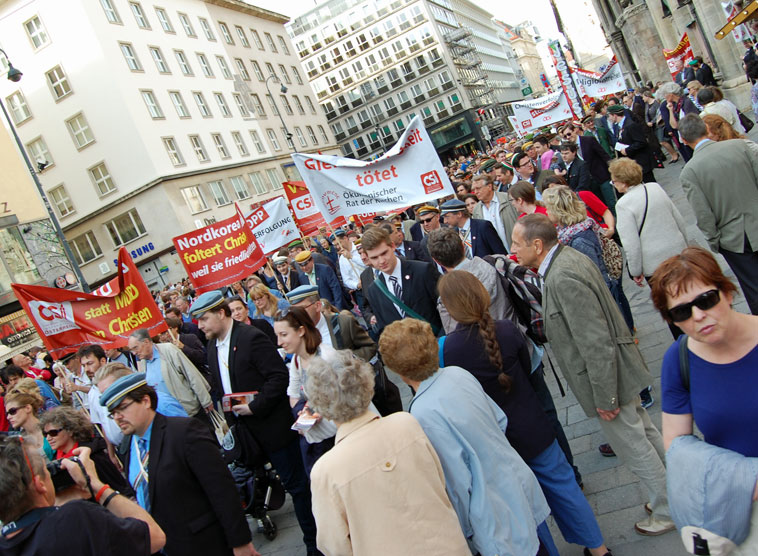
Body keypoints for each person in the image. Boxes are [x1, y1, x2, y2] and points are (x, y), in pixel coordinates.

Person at [509, 214, 674, 536]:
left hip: (609, 379)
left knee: (634, 445)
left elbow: (595, 341)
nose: (513, 250)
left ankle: (668, 507)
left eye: (517, 243)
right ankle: (674, 489)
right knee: (645, 431)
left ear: (537, 245)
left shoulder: (561, 276)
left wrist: (605, 395)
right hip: (618, 371)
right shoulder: (564, 261)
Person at [437, 270, 611, 556]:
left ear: (450, 306)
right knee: (565, 487)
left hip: (497, 440)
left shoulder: (449, 350)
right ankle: (599, 549)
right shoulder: (507, 329)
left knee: (524, 506)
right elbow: (529, 372)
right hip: (534, 425)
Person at [378, 318, 551, 556]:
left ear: (399, 371)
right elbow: (499, 419)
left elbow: (456, 479)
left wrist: (465, 528)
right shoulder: (457, 373)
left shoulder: (422, 411)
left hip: (490, 511)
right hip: (513, 479)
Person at [191, 292, 320, 555]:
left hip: (274, 429)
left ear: (221, 313)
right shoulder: (212, 346)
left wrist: (254, 406)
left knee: (298, 487)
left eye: (203, 319)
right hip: (247, 435)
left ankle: (315, 543)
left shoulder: (251, 337)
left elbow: (278, 378)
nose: (200, 326)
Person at [305, 351, 469, 555]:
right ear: (365, 384)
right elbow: (438, 480)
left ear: (321, 404)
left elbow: (334, 545)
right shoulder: (406, 423)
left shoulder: (325, 471)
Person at [650, 247, 758, 554]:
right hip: (742, 504)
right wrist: (743, 480)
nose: (698, 316)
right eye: (682, 312)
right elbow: (677, 444)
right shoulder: (678, 359)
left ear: (727, 293)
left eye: (706, 300)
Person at [98, 374, 260, 556]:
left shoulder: (184, 431)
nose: (118, 417)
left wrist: (240, 542)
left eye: (122, 408)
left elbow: (222, 490)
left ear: (145, 401)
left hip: (203, 545)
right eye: (113, 413)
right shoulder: (128, 447)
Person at [0, 436, 165, 555]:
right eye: (46, 469)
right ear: (39, 484)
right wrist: (95, 485)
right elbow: (154, 537)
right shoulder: (76, 518)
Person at [678, 113, 758, 315]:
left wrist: (714, 241)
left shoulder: (690, 171)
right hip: (748, 226)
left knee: (753, 288)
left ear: (684, 140)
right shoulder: (740, 146)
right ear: (706, 129)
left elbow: (703, 213)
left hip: (734, 238)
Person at [610, 157, 689, 337]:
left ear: (623, 182)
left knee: (670, 307)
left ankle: (684, 341)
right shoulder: (654, 188)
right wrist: (686, 246)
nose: (613, 184)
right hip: (678, 253)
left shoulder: (623, 205)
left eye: (614, 181)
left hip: (655, 264)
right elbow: (679, 219)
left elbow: (631, 244)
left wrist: (635, 271)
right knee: (687, 294)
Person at [542, 186, 635, 333]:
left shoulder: (578, 239)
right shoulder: (569, 230)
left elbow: (594, 274)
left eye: (548, 208)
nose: (546, 211)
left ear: (558, 210)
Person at [274, 306, 337, 474]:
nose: (279, 342)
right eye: (277, 336)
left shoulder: (327, 357)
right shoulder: (297, 360)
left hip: (337, 439)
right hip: (318, 441)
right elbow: (293, 394)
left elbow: (342, 400)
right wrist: (303, 413)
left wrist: (317, 412)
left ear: (301, 331)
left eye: (284, 335)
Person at [361, 227, 442, 335]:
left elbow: (448, 308)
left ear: (392, 246)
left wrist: (443, 340)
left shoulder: (423, 271)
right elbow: (384, 330)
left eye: (384, 253)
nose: (381, 261)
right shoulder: (374, 290)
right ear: (368, 258)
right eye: (374, 258)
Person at [39, 406, 132, 496]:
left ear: (70, 431)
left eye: (53, 433)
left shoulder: (93, 456)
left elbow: (119, 489)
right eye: (45, 434)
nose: (48, 438)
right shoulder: (57, 461)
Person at [127, 329, 213, 421]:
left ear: (146, 342)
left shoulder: (168, 350)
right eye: (131, 350)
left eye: (135, 348)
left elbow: (191, 374)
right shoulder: (143, 363)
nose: (134, 353)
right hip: (168, 418)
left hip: (189, 413)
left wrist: (205, 401)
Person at [544, 175, 616, 237]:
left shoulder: (583, 195)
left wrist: (611, 229)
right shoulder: (553, 212)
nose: (555, 191)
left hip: (602, 234)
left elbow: (605, 212)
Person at [439, 198, 506, 258]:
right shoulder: (454, 233)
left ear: (459, 214)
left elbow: (500, 253)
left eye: (447, 216)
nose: (445, 221)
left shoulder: (483, 226)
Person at [4, 380, 54, 460]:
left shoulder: (52, 429)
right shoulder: (19, 441)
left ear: (28, 408)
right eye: (7, 413)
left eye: (12, 411)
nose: (8, 417)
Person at [607, 103, 655, 183]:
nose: (609, 118)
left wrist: (627, 150)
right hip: (633, 163)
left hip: (641, 162)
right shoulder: (618, 127)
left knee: (649, 183)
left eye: (610, 116)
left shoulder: (630, 125)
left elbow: (641, 142)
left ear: (615, 115)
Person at [471, 173, 520, 250]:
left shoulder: (508, 199)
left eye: (478, 188)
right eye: (474, 190)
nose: (476, 192)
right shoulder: (477, 209)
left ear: (489, 186)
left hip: (516, 248)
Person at [643, 89, 679, 162]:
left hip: (659, 124)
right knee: (662, 141)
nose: (642, 99)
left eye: (643, 97)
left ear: (647, 96)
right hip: (653, 126)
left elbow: (658, 114)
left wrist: (652, 122)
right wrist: (647, 122)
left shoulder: (655, 103)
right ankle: (672, 155)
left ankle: (674, 154)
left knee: (662, 141)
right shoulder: (647, 105)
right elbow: (646, 114)